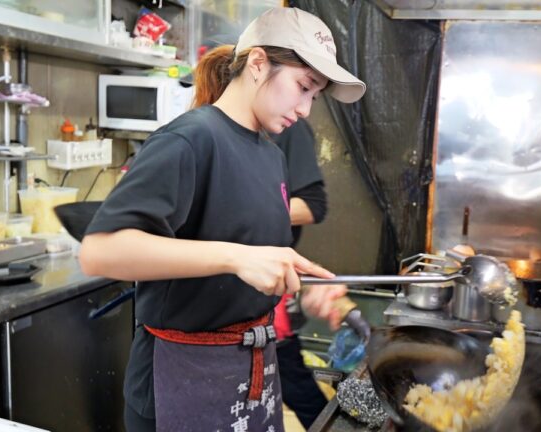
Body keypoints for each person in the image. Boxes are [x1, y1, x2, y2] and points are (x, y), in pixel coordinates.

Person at [78, 7, 366, 432]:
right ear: (257, 63)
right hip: (181, 380)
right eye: (303, 87)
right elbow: (100, 252)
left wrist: (304, 288)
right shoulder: (191, 139)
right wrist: (237, 258)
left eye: (314, 95)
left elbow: (244, 252)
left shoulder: (270, 155)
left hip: (250, 376)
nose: (306, 109)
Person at [271, 119, 331, 429]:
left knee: (290, 374)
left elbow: (314, 205)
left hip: (266, 289)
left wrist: (244, 210)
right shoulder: (201, 130)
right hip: (216, 302)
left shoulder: (287, 127)